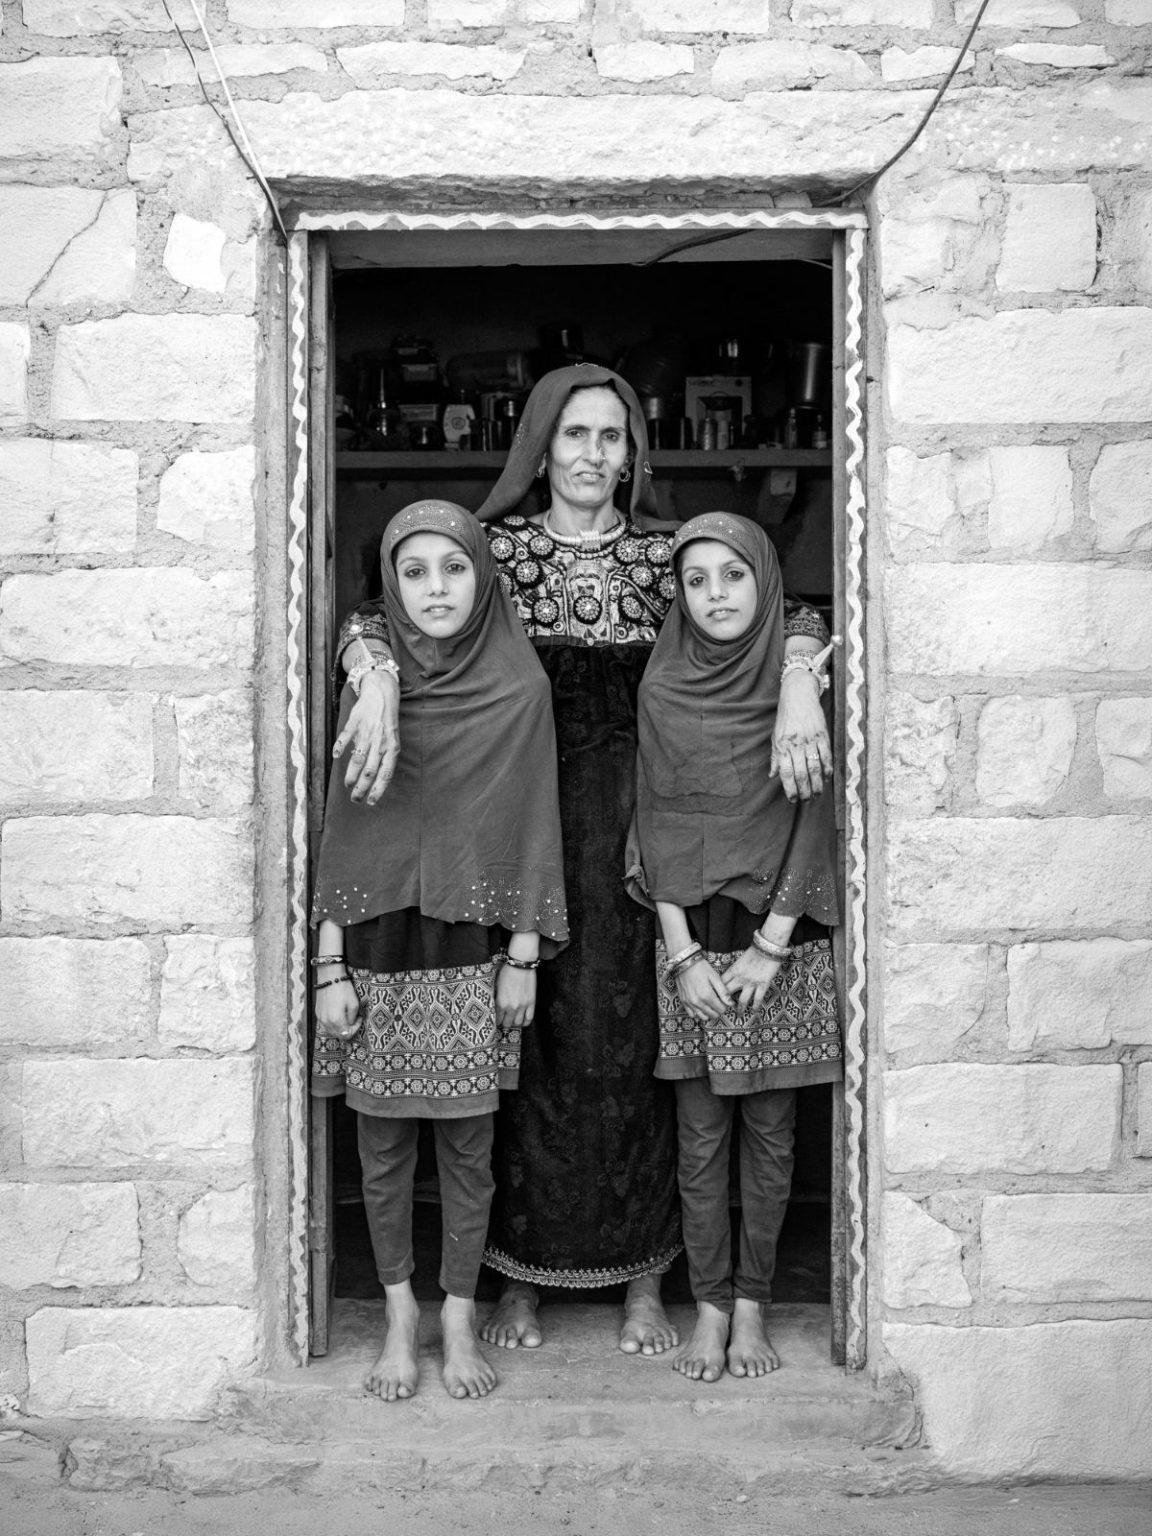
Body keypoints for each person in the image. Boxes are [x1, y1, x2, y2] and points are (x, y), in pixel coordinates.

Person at [330, 366, 834, 1355]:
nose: (594, 453)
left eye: (613, 434)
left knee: (632, 1047)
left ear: (633, 453)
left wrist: (805, 682)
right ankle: (518, 1278)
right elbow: (373, 610)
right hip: (510, 829)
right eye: (574, 435)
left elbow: (794, 608)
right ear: (540, 449)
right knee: (529, 1049)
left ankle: (648, 1278)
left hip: (638, 838)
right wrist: (373, 673)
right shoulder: (498, 555)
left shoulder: (667, 559)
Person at [311, 500, 568, 1402]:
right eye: (413, 572)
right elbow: (342, 829)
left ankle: (457, 1316)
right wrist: (328, 964)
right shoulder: (367, 686)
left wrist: (525, 954)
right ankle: (398, 1318)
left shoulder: (518, 689)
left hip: (476, 939)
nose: (435, 589)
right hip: (377, 935)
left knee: (468, 1148)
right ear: (390, 585)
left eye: (453, 568)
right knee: (380, 1150)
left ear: (483, 574)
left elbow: (536, 822)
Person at [626, 513, 842, 1384]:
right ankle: (710, 1308)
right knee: (701, 1138)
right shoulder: (662, 688)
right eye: (697, 580)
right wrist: (680, 952)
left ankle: (752, 1306)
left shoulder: (802, 690)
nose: (716, 595)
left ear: (766, 582)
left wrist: (771, 947)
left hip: (778, 935)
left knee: (772, 1137)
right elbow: (652, 817)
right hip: (688, 936)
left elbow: (813, 818)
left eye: (734, 576)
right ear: (677, 595)